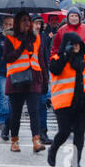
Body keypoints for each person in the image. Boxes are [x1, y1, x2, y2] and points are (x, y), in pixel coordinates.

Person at [47, 33, 85, 167]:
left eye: (78, 44)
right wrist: (66, 54)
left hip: (81, 104)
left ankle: (75, 164)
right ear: (66, 45)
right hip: (64, 103)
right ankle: (53, 148)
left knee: (79, 134)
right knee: (64, 132)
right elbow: (55, 69)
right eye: (73, 44)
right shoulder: (57, 59)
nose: (76, 47)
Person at [4, 12, 48, 153]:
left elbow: (40, 59)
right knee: (16, 113)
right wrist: (22, 46)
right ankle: (14, 141)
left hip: (33, 79)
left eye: (28, 20)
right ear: (17, 22)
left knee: (34, 111)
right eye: (23, 20)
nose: (27, 23)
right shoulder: (10, 37)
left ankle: (36, 140)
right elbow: (8, 58)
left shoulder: (36, 38)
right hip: (16, 80)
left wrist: (45, 79)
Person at [32, 15, 53, 145]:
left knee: (42, 104)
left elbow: (45, 59)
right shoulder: (27, 38)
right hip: (29, 77)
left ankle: (42, 133)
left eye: (40, 23)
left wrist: (46, 79)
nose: (38, 26)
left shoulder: (43, 37)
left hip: (41, 76)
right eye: (36, 23)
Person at [0, 15, 13, 141]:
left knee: (8, 98)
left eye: (11, 24)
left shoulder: (16, 39)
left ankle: (6, 122)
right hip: (1, 71)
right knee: (4, 97)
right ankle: (2, 121)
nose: (8, 26)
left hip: (13, 72)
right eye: (6, 24)